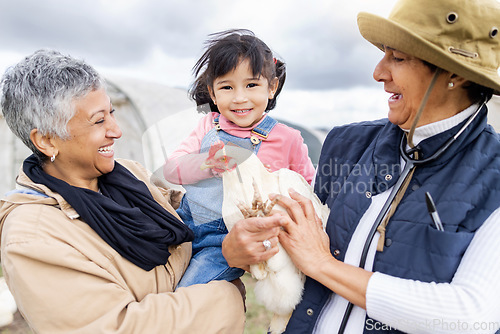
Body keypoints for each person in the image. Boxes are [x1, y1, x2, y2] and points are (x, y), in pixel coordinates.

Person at [222, 0, 500, 333]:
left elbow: (470, 316)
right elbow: (300, 245)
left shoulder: (493, 174)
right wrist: (240, 251)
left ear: (454, 72)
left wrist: (323, 265)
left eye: (397, 58)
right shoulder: (346, 144)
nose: (378, 72)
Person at [0, 49, 245, 333]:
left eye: (112, 113)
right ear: (46, 140)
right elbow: (117, 327)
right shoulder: (33, 237)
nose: (116, 131)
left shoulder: (128, 175)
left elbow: (182, 219)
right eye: (98, 120)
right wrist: (228, 296)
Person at [163, 29, 315, 288]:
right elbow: (171, 170)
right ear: (213, 93)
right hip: (184, 221)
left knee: (188, 289)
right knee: (145, 266)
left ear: (272, 87)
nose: (240, 97)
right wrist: (205, 164)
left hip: (228, 242)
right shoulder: (207, 127)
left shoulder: (287, 139)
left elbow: (309, 190)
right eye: (227, 87)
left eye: (251, 85)